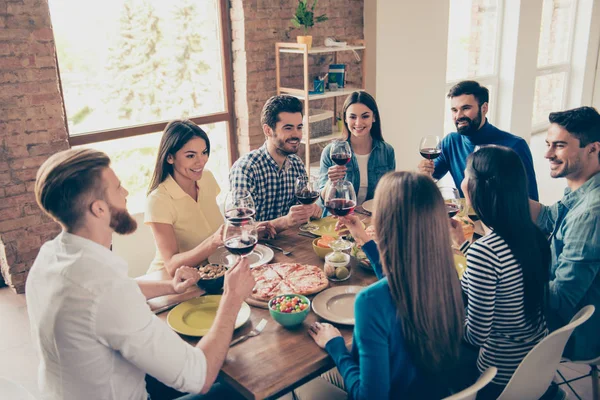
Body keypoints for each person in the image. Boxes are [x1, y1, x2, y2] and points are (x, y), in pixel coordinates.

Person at [26, 148, 255, 400]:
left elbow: (111, 293)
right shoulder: (106, 289)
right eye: (118, 188)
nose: (126, 193)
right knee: (244, 386)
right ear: (99, 209)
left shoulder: (51, 255)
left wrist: (170, 286)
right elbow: (198, 376)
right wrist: (232, 298)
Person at [298, 172, 468, 399]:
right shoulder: (447, 277)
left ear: (384, 223)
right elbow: (398, 283)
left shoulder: (371, 302)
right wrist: (363, 239)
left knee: (300, 387)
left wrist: (336, 346)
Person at [449, 146, 550, 399]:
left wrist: (441, 322)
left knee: (424, 353)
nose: (462, 183)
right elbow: (500, 275)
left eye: (464, 175)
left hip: (498, 374)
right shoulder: (534, 235)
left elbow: (475, 335)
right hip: (536, 364)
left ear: (475, 187)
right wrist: (463, 244)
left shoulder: (486, 251)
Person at [529, 106, 600, 361]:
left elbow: (560, 297)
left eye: (559, 146)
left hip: (573, 333)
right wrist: (504, 191)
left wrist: (510, 282)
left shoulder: (591, 213)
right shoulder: (583, 186)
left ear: (592, 148)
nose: (548, 154)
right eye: (548, 144)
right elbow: (549, 217)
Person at [418, 80, 539, 200]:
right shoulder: (450, 142)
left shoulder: (515, 146)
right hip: (466, 217)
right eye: (454, 110)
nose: (458, 116)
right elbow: (429, 180)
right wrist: (425, 174)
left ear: (484, 108)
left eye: (465, 108)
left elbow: (531, 200)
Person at [229, 95, 322, 230]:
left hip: (290, 244)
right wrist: (284, 222)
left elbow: (300, 213)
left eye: (299, 127)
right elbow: (240, 226)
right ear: (268, 130)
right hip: (257, 248)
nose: (297, 135)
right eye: (288, 128)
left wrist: (311, 211)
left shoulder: (296, 164)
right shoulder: (245, 169)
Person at [145, 120, 224, 275]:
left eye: (204, 152)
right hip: (169, 282)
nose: (201, 161)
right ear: (170, 158)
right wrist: (213, 242)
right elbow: (171, 265)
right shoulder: (158, 200)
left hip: (210, 273)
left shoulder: (206, 178)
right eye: (190, 155)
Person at [318, 91, 395, 205]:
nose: (358, 123)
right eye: (353, 117)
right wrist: (331, 182)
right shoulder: (330, 152)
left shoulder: (387, 151)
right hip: (338, 217)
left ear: (374, 117)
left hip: (372, 217)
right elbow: (323, 201)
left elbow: (390, 194)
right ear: (345, 118)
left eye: (365, 116)